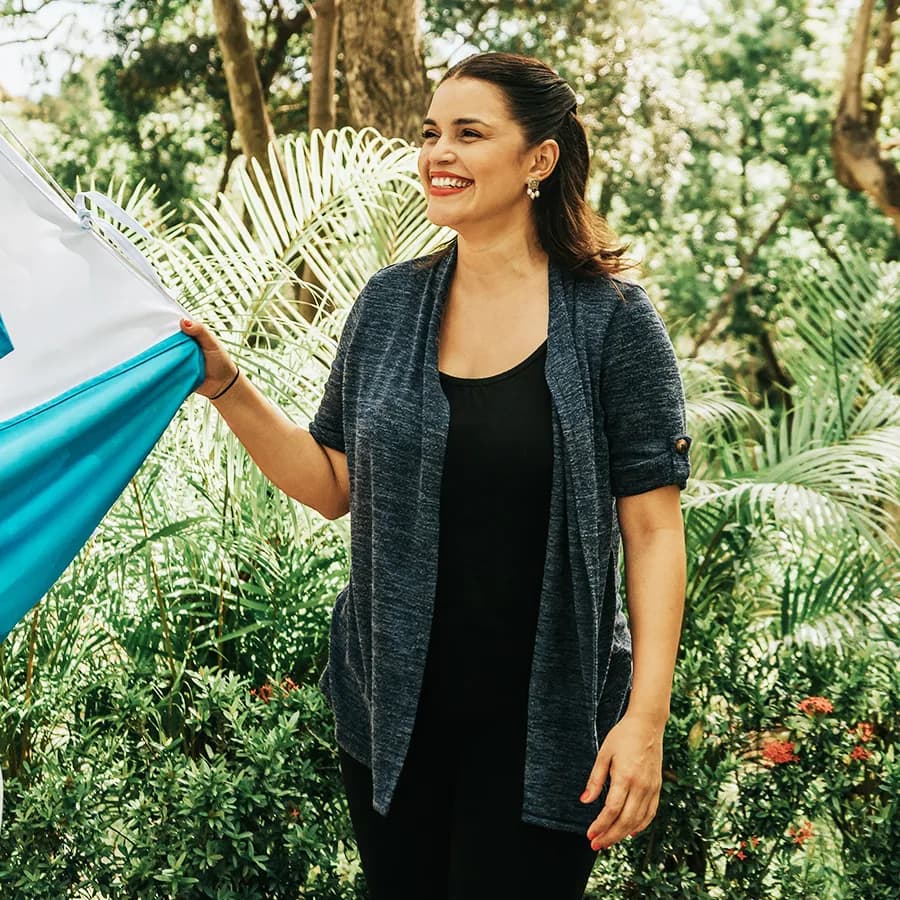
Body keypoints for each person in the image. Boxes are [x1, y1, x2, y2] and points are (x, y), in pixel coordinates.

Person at [182, 51, 691, 900]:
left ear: (540, 158)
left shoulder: (613, 322)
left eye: (468, 133)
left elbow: (654, 529)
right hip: (391, 715)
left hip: (545, 725)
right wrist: (227, 385)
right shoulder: (387, 306)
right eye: (429, 133)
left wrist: (645, 718)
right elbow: (331, 483)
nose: (437, 154)